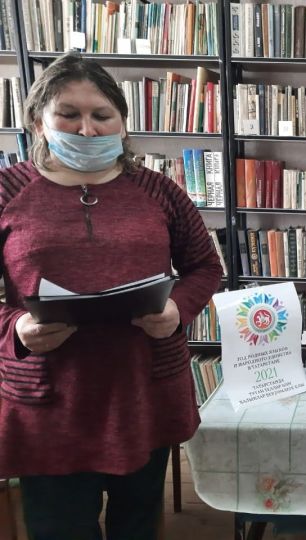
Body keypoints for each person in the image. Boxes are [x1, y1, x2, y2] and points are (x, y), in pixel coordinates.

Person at [0, 53, 223, 539]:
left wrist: (178, 309)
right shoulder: (7, 191)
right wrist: (15, 328)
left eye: (102, 115)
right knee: (59, 527)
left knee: (137, 523)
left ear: (122, 123)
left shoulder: (159, 191)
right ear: (38, 122)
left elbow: (206, 267)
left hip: (143, 387)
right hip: (50, 396)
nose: (87, 130)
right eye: (69, 114)